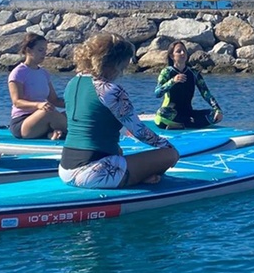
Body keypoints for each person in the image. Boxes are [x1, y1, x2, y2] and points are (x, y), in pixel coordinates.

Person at [59, 33, 179, 188]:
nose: (122, 72)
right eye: (123, 66)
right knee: (170, 155)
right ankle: (139, 177)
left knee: (118, 151)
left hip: (65, 169)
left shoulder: (72, 83)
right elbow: (140, 132)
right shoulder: (110, 90)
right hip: (93, 173)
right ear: (114, 63)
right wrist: (169, 147)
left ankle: (137, 175)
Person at [8, 33, 67, 140]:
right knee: (48, 112)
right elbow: (17, 102)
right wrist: (38, 105)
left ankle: (53, 134)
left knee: (71, 113)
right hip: (22, 123)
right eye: (40, 50)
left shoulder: (44, 73)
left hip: (42, 118)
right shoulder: (18, 73)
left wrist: (75, 105)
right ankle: (80, 133)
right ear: (29, 50)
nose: (44, 54)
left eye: (45, 50)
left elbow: (54, 100)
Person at [153, 41, 224, 129]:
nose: (182, 53)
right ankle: (186, 123)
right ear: (172, 56)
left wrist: (217, 109)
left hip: (187, 113)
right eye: (179, 51)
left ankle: (180, 124)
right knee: (161, 113)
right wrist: (172, 81)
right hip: (170, 113)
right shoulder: (166, 72)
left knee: (214, 115)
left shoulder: (194, 73)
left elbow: (206, 93)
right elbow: (157, 93)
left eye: (184, 51)